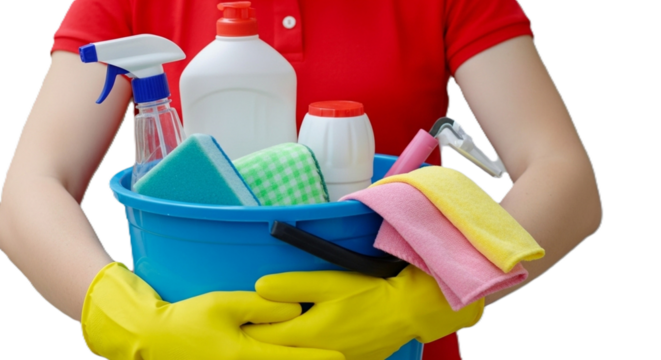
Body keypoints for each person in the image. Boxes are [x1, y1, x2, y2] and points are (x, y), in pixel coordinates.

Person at [0, 0, 602, 359]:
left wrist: (423, 300)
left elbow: (563, 177)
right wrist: (128, 320)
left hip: (391, 355)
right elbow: (32, 185)